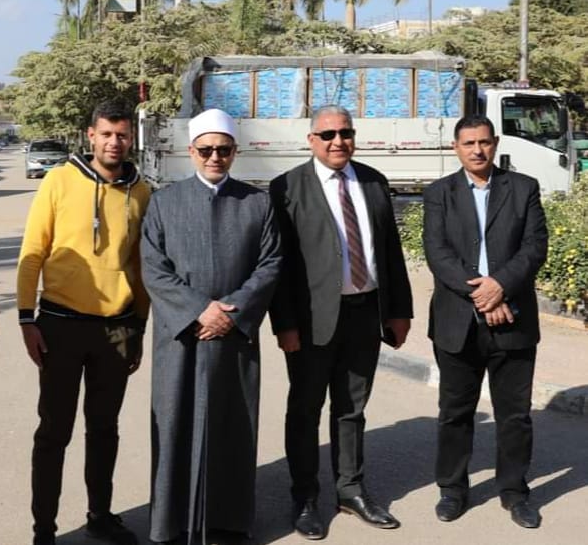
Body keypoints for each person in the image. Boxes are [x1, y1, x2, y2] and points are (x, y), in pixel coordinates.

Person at [269, 105, 413, 539]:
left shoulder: (373, 181)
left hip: (364, 313)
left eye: (345, 133)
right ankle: (305, 496)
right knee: (305, 410)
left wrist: (399, 310)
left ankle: (350, 490)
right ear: (311, 140)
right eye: (328, 134)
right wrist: (284, 324)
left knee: (352, 409)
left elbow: (390, 252)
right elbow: (279, 265)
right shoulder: (287, 187)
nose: (338, 142)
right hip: (312, 321)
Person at [141, 108, 282, 544]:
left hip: (233, 338)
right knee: (175, 425)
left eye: (223, 149)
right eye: (206, 150)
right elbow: (153, 268)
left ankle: (229, 522)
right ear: (191, 151)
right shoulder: (164, 202)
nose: (215, 157)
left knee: (232, 427)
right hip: (181, 338)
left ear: (235, 151)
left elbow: (270, 264)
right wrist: (199, 311)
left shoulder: (257, 203)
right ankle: (171, 525)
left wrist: (231, 314)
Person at [17, 101, 151, 545]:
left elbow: (140, 267)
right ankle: (44, 529)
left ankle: (101, 514)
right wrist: (26, 318)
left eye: (122, 134)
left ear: (131, 138)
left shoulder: (141, 191)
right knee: (54, 432)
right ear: (90, 135)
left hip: (117, 326)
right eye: (107, 134)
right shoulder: (59, 180)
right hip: (60, 324)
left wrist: (139, 326)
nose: (115, 142)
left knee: (105, 428)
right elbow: (33, 251)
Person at [422, 115, 548, 529]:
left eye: (484, 142)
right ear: (456, 148)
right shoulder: (439, 193)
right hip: (458, 321)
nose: (477, 150)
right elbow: (437, 253)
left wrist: (501, 286)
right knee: (454, 412)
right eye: (468, 143)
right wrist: (483, 294)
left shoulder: (523, 188)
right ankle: (452, 489)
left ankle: (514, 492)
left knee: (515, 415)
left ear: (495, 143)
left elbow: (535, 247)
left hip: (513, 319)